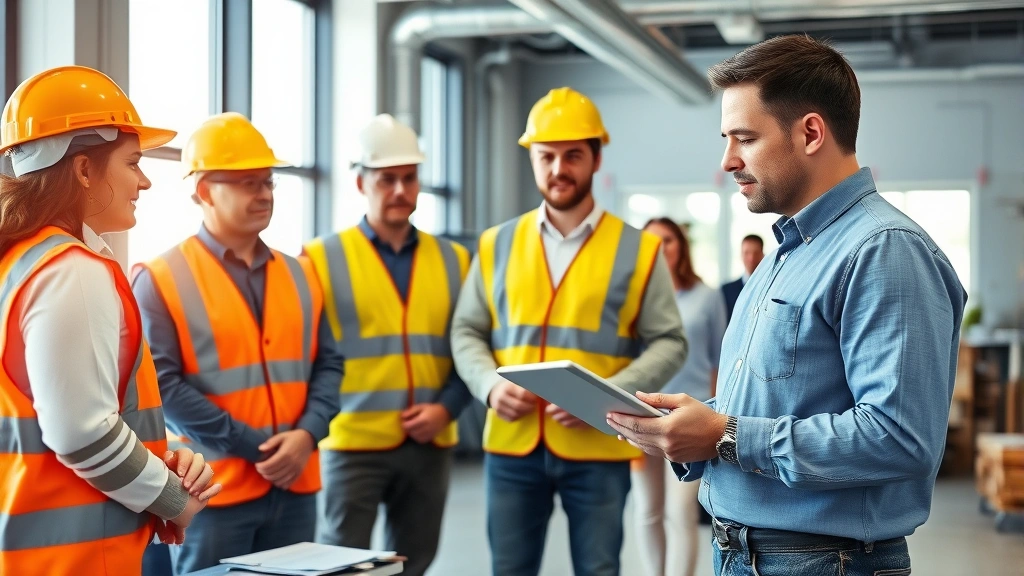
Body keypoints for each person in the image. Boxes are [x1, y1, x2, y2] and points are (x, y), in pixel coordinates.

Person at [607, 36, 967, 576]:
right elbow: (779, 398)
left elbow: (900, 437)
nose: (727, 160)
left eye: (744, 139)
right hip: (748, 553)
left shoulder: (884, 250)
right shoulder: (785, 252)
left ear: (811, 132)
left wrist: (725, 435)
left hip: (825, 560)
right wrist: (691, 426)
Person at [451, 87, 687, 576]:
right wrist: (490, 386)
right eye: (546, 156)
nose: (558, 169)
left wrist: (606, 397)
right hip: (512, 444)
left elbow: (670, 340)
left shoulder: (638, 250)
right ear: (533, 161)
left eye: (572, 155)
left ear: (597, 158)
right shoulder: (497, 244)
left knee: (598, 569)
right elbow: (466, 329)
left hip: (598, 445)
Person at [0, 65, 219, 576]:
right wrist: (173, 498)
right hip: (82, 557)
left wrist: (164, 453)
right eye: (133, 162)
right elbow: (82, 433)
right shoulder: (70, 271)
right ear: (81, 170)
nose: (144, 180)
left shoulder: (17, 263)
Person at [131, 112, 343, 575]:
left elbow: (329, 365)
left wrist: (307, 435)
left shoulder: (303, 274)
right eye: (248, 182)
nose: (264, 194)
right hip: (212, 491)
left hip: (296, 484)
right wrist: (258, 448)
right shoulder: (160, 279)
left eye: (268, 182)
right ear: (204, 190)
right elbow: (162, 386)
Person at [305, 114, 472, 576]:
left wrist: (447, 409)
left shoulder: (455, 260)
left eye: (409, 178)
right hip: (352, 442)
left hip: (430, 441)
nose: (400, 190)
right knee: (341, 563)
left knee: (413, 562)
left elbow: (471, 350)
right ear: (362, 183)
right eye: (387, 179)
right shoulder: (320, 258)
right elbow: (312, 357)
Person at [632, 218, 726, 576]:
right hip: (640, 414)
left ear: (680, 246)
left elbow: (720, 358)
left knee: (681, 511)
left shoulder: (707, 296)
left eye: (667, 240)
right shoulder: (633, 299)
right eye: (651, 241)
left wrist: (717, 418)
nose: (659, 248)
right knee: (647, 510)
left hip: (690, 414)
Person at [719, 234, 763, 322]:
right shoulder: (726, 290)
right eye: (747, 253)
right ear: (741, 255)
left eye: (756, 253)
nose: (751, 258)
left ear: (762, 255)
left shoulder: (770, 287)